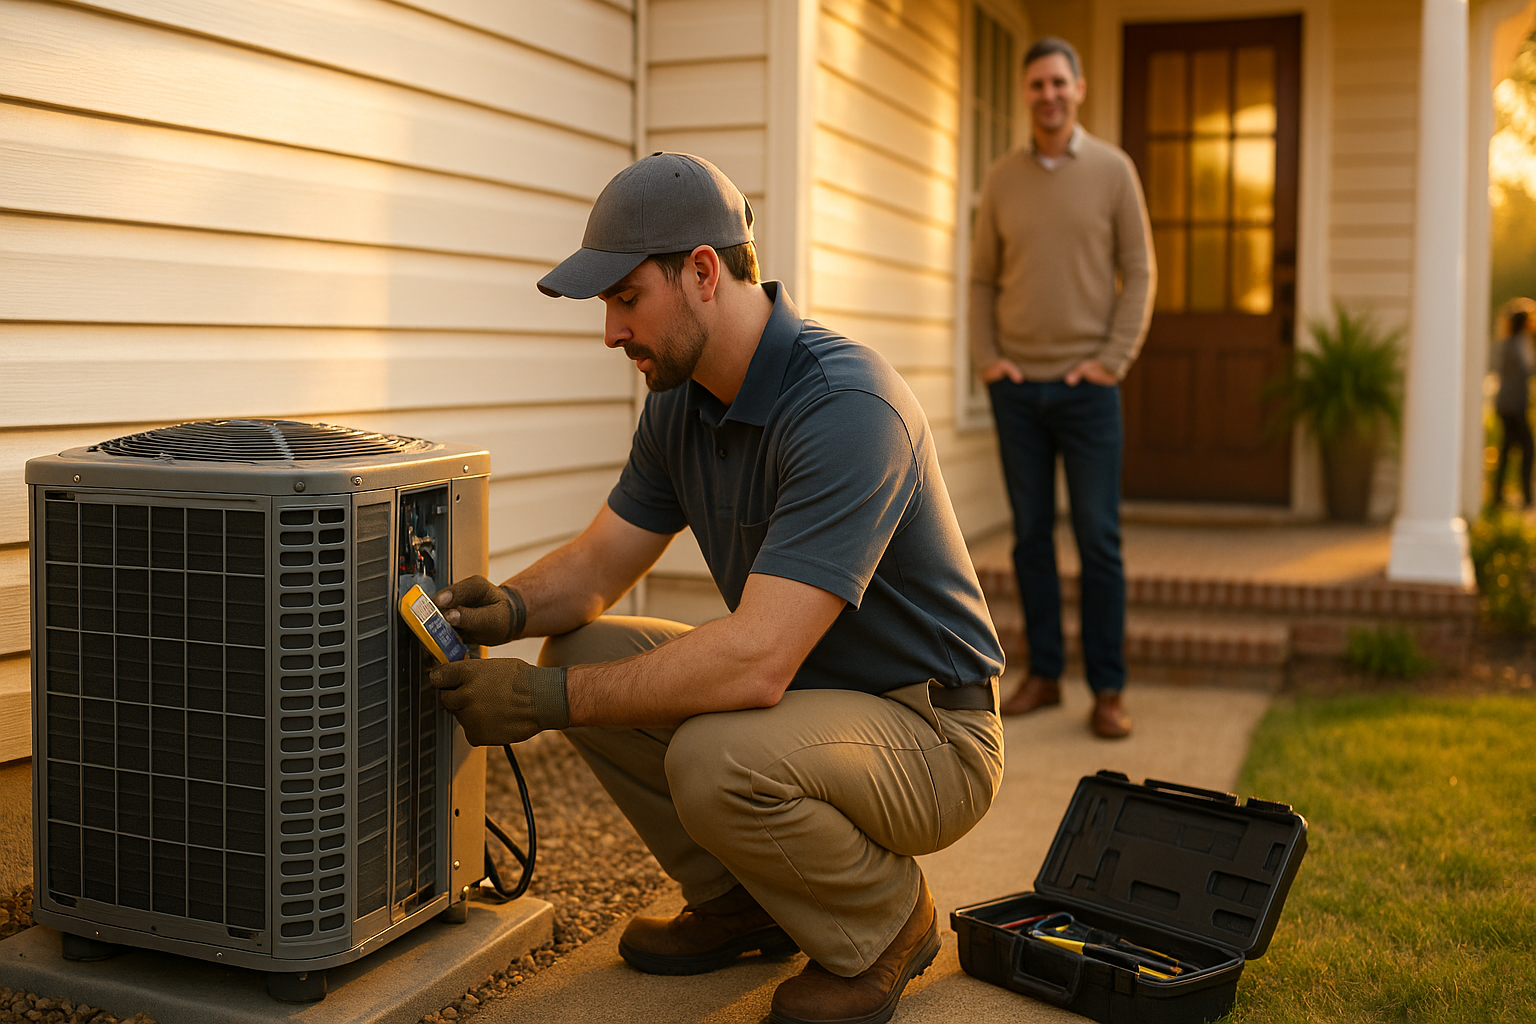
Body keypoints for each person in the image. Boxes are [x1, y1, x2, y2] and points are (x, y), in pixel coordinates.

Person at [428, 152, 1006, 1024]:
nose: (611, 333)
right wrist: (502, 608)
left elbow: (757, 661)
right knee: (582, 644)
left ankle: (885, 923)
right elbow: (597, 568)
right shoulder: (682, 400)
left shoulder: (847, 407)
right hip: (815, 703)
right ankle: (744, 901)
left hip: (932, 733)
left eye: (627, 299)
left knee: (711, 756)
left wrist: (547, 702)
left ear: (702, 272)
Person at [967, 37, 1154, 739]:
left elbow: (1140, 271)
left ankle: (1108, 689)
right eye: (1036, 84)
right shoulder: (1002, 178)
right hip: (1017, 387)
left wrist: (1113, 359)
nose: (1047, 94)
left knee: (1099, 539)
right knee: (1030, 538)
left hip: (1089, 389)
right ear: (1026, 94)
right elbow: (981, 279)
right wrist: (988, 358)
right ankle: (1044, 674)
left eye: (1057, 83)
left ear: (1079, 89)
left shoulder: (1114, 170)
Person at [1494, 307, 1534, 508]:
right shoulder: (1519, 344)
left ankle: (1497, 495)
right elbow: (1528, 370)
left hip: (1505, 403)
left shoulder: (1507, 342)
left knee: (1507, 448)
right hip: (1514, 404)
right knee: (1528, 448)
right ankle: (1526, 497)